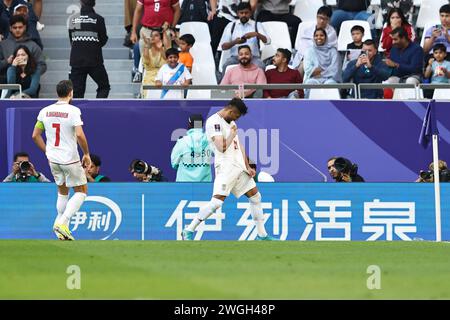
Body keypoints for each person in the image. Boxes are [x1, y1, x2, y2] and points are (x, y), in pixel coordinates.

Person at [182, 98, 277, 241]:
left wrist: (248, 166)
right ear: (231, 110)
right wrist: (232, 134)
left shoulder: (231, 123)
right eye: (237, 115)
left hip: (239, 167)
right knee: (216, 203)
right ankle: (189, 229)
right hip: (226, 167)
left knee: (255, 196)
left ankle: (261, 235)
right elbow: (221, 147)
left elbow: (238, 146)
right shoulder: (213, 122)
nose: (237, 119)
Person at [31, 80, 91, 241]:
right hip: (69, 158)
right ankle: (63, 223)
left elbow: (35, 135)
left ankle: (60, 227)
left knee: (62, 191)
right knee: (81, 191)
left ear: (57, 93)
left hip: (53, 159)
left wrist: (47, 151)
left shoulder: (45, 111)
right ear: (71, 92)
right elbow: (79, 134)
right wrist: (86, 154)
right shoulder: (73, 111)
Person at [68, 0, 110, 98]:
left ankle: (78, 112)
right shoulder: (99, 19)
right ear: (94, 3)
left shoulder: (73, 19)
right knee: (104, 86)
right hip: (94, 60)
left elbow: (72, 41)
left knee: (77, 93)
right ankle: (98, 108)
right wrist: (93, 46)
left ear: (81, 2)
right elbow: (103, 39)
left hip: (77, 61)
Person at [219, 1, 270, 72]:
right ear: (237, 13)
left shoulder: (257, 25)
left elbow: (268, 41)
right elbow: (223, 47)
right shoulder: (231, 25)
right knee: (226, 65)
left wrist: (257, 34)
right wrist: (234, 42)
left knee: (261, 66)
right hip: (236, 57)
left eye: (246, 13)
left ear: (251, 13)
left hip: (253, 57)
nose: (244, 15)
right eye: (241, 13)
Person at [0, 14, 46, 85]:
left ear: (24, 27)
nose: (17, 30)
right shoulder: (3, 45)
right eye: (14, 27)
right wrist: (7, 61)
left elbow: (42, 65)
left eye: (20, 27)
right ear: (10, 28)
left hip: (29, 82)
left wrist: (31, 73)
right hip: (6, 82)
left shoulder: (33, 45)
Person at [291, 5, 337, 74]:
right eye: (320, 18)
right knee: (303, 65)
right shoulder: (308, 29)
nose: (321, 21)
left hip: (323, 60)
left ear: (329, 20)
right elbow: (302, 46)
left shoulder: (331, 32)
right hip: (306, 57)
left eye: (325, 19)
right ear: (316, 16)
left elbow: (330, 49)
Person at [171, 114, 213, 182]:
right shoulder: (210, 141)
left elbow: (174, 164)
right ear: (202, 125)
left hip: (183, 186)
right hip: (205, 187)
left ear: (189, 125)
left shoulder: (182, 142)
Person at [303, 28, 340, 98]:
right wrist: (319, 71)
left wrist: (321, 73)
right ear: (313, 37)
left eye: (321, 35)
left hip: (330, 78)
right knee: (310, 83)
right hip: (313, 78)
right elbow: (307, 69)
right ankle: (307, 107)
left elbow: (335, 69)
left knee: (331, 85)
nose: (319, 37)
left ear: (326, 38)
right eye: (316, 35)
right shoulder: (309, 51)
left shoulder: (333, 51)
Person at [140, 28, 171, 97]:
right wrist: (147, 45)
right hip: (149, 79)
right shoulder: (147, 50)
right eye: (152, 36)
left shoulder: (165, 51)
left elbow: (168, 60)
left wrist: (160, 49)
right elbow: (146, 61)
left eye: (156, 35)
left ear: (161, 39)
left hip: (164, 78)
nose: (153, 37)